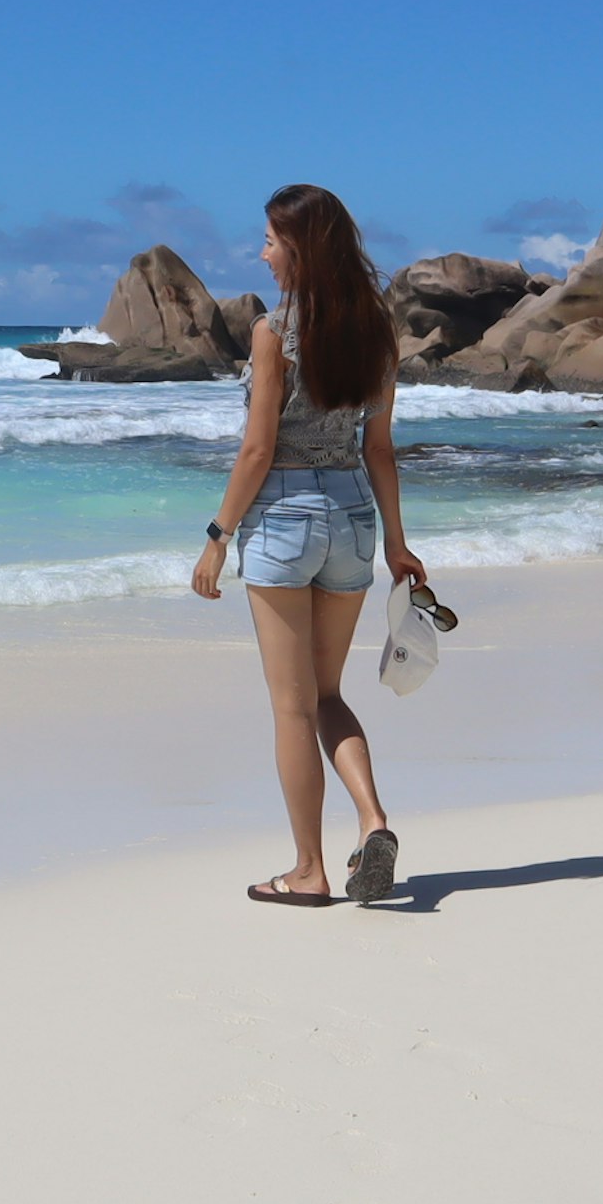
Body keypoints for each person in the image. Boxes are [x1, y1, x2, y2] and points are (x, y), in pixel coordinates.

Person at [191, 182, 426, 907]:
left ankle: (309, 871)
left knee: (291, 708)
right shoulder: (377, 331)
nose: (261, 253)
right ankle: (374, 819)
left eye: (269, 239)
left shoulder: (273, 332)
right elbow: (379, 449)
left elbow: (259, 448)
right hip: (354, 514)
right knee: (327, 695)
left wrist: (217, 537)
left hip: (286, 521)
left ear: (300, 245)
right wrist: (397, 544)